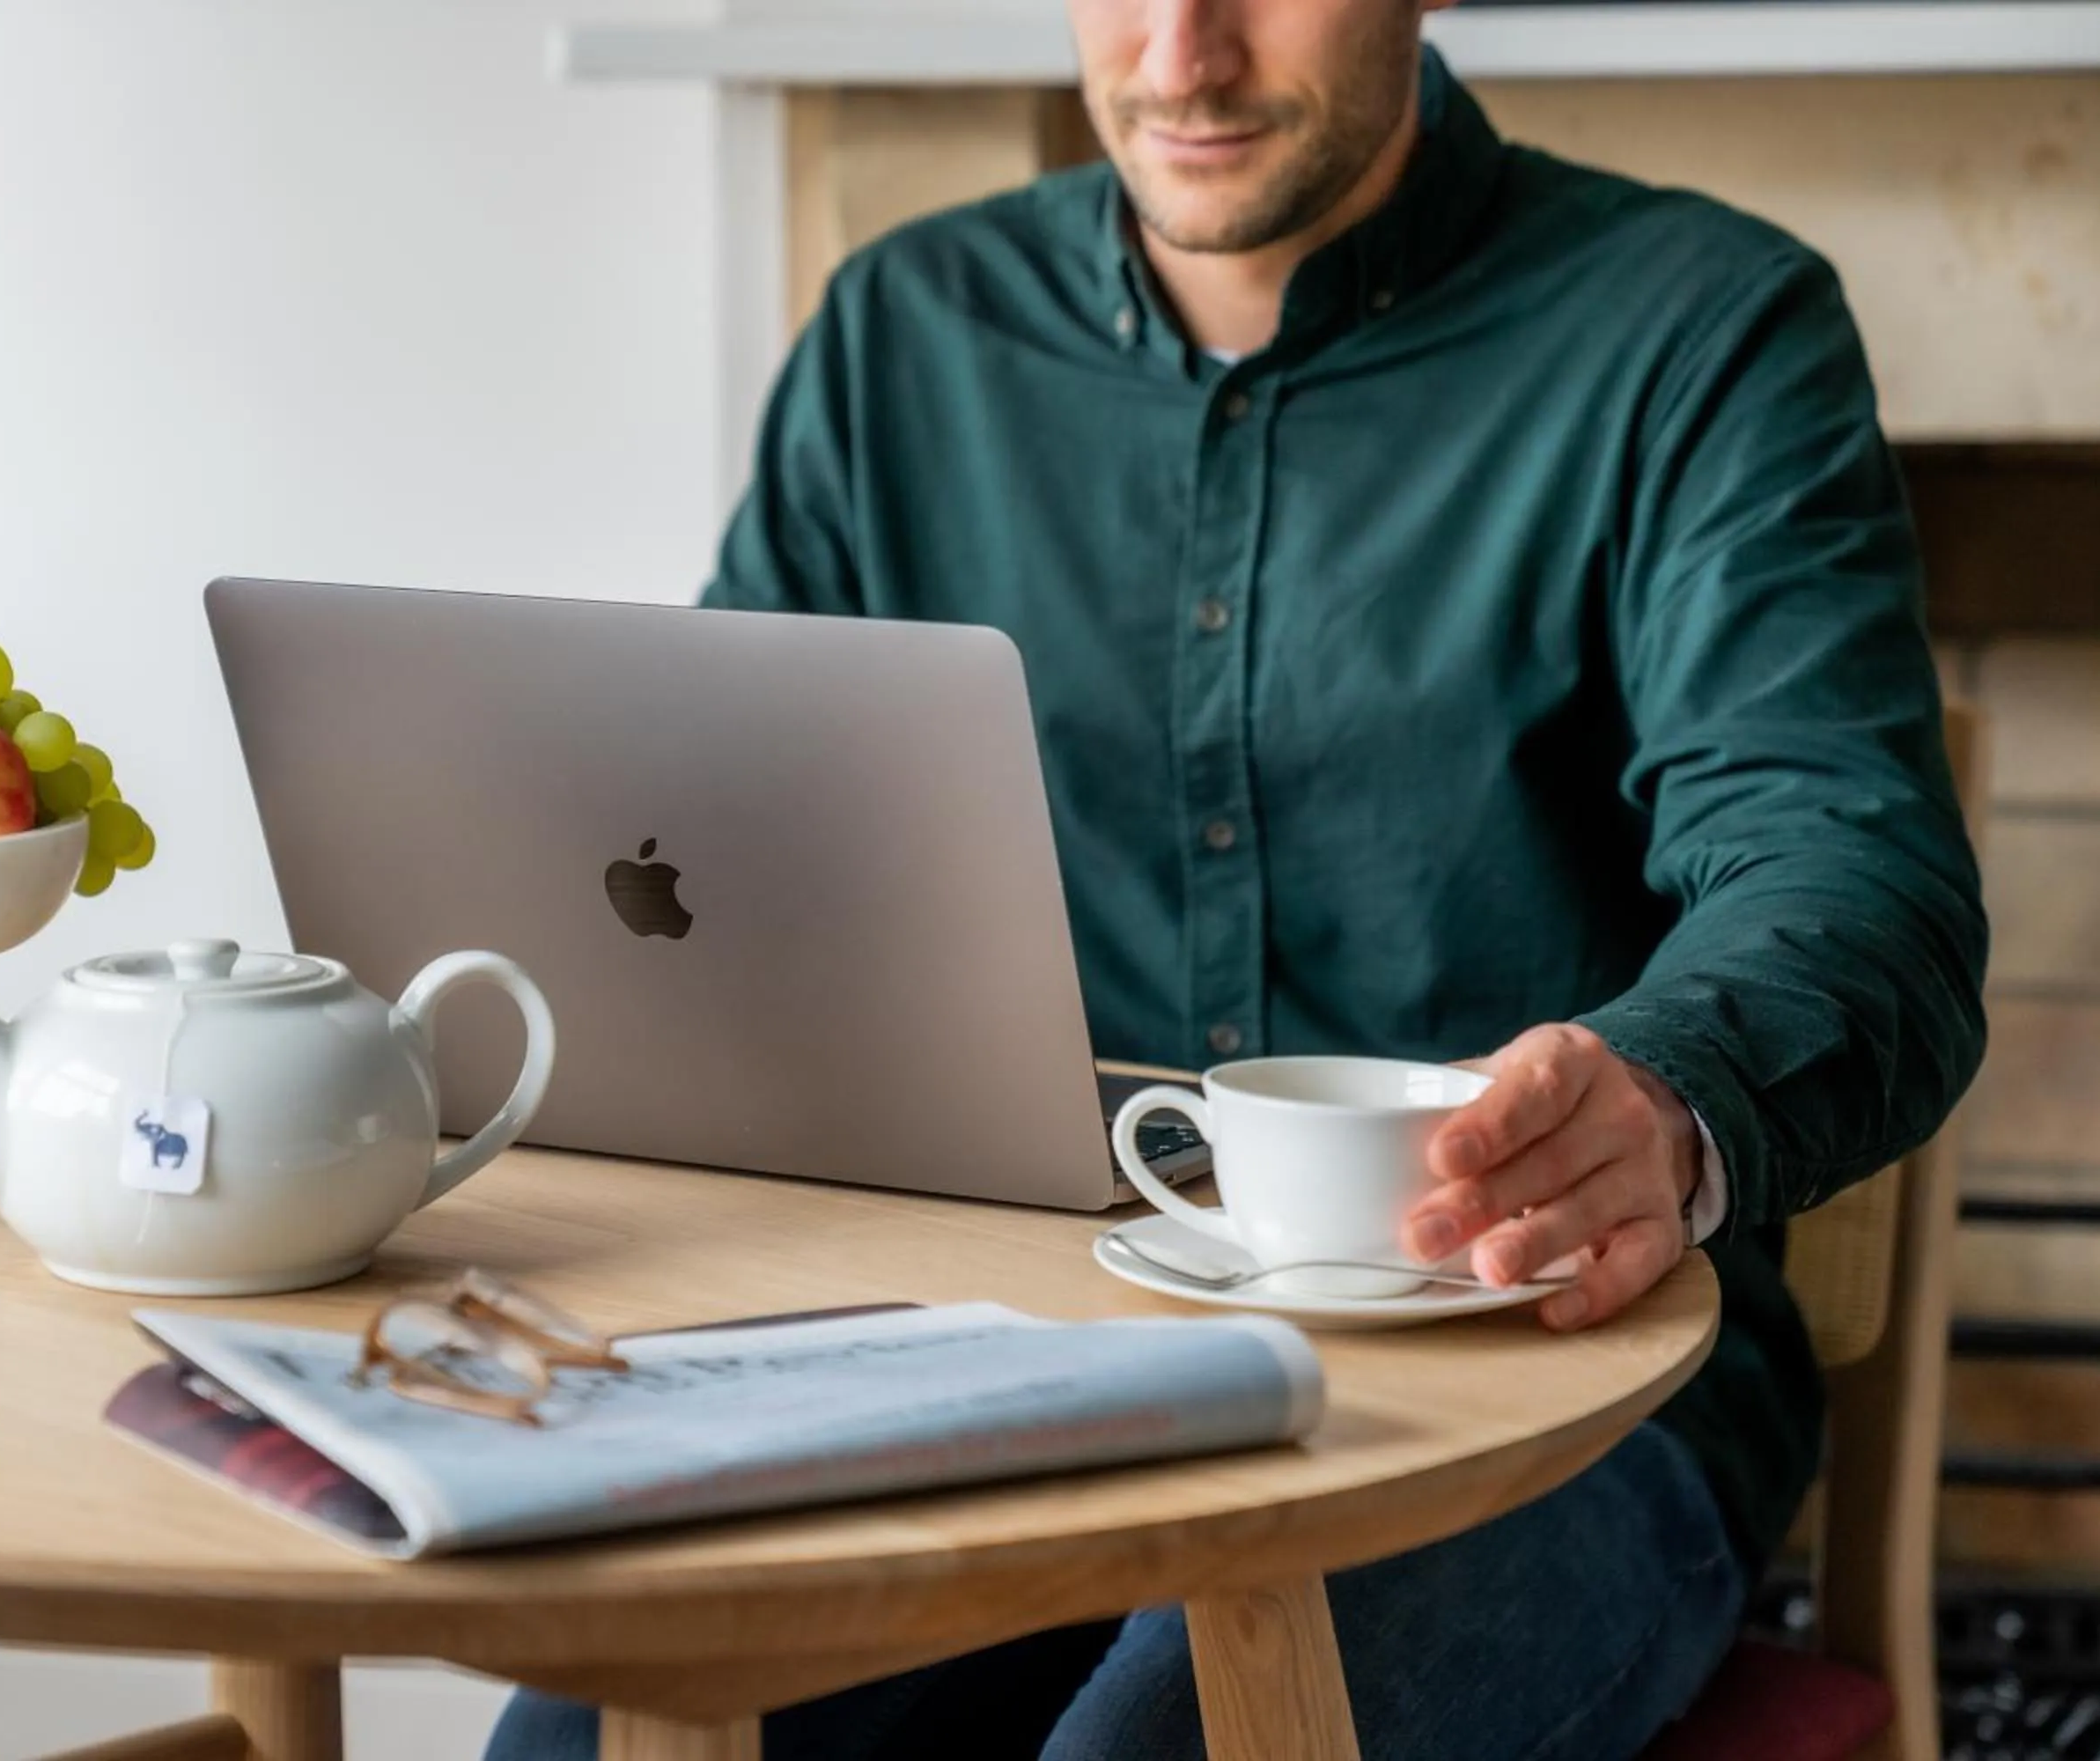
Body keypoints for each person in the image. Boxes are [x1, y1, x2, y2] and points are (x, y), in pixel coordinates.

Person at [487, 0, 1987, 1753]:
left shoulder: (1708, 330)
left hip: (1546, 1399)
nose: (1181, 57)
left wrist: (1662, 1100)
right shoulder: (903, 335)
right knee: (580, 1744)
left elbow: (1851, 871)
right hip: (1004, 1360)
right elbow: (717, 866)